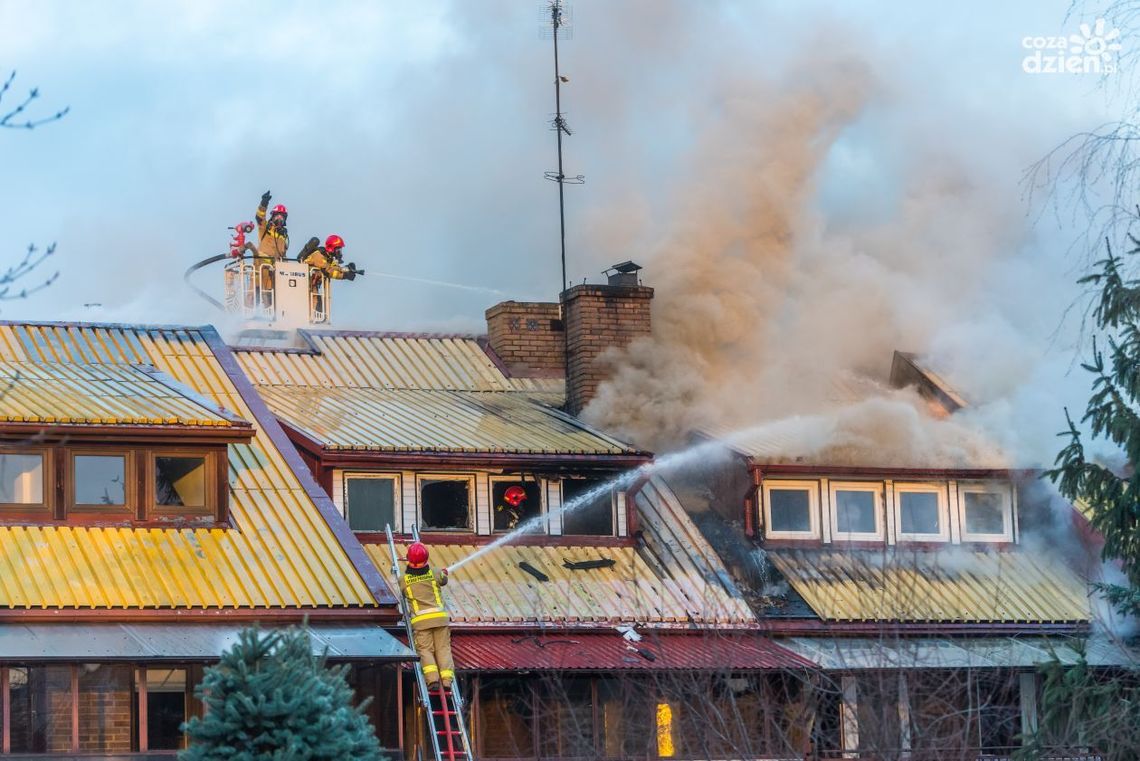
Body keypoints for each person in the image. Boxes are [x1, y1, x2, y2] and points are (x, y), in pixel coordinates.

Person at [401, 542, 454, 690]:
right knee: (443, 649)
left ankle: (432, 680)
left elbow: (404, 592)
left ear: (408, 559)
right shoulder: (436, 572)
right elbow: (443, 580)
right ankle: (447, 681)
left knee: (425, 650)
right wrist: (443, 573)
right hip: (439, 619)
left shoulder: (403, 580)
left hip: (421, 622)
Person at [253, 190, 289, 304]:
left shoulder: (284, 237)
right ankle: (246, 315)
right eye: (277, 215)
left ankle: (271, 316)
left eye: (282, 217)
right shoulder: (265, 228)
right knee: (255, 291)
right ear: (272, 217)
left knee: (271, 297)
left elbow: (283, 255)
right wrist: (263, 204)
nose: (280, 218)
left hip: (274, 271)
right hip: (261, 267)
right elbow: (259, 217)